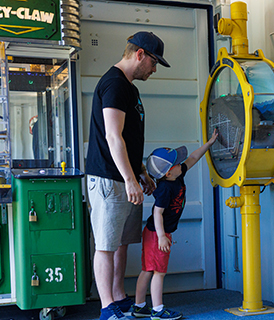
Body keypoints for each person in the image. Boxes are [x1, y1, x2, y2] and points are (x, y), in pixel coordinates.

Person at [85, 31, 171, 320]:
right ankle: (107, 308)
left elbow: (130, 138)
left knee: (122, 242)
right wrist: (130, 179)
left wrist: (141, 172)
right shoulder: (114, 84)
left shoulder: (130, 88)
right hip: (109, 179)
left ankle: (120, 298)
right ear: (140, 55)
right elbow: (113, 136)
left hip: (126, 177)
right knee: (107, 245)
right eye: (154, 62)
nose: (154, 69)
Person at [130, 129, 218, 320]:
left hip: (154, 233)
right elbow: (157, 212)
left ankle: (139, 307)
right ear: (169, 171)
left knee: (147, 270)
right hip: (157, 234)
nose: (182, 164)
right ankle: (158, 310)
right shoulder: (165, 188)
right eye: (178, 162)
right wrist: (162, 235)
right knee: (158, 273)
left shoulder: (176, 175)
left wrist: (209, 143)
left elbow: (193, 157)